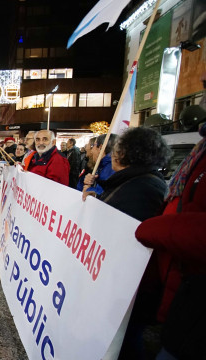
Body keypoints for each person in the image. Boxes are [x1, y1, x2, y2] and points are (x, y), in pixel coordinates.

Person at [84, 127, 171, 359]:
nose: (112, 154)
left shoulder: (144, 188)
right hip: (124, 284)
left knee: (126, 340)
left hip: (131, 287)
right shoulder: (131, 182)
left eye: (117, 149)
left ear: (125, 154)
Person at [134, 122, 206, 360]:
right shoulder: (199, 152)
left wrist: (156, 229)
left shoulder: (147, 186)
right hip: (177, 289)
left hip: (192, 295)